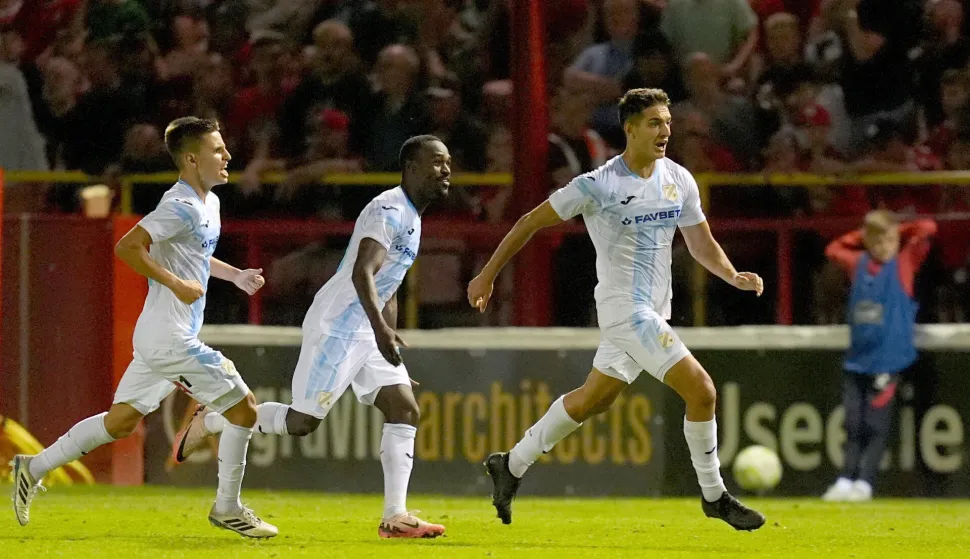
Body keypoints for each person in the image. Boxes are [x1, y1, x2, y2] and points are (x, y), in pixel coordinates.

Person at [467, 88, 766, 531]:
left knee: (592, 401)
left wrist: (733, 274)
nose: (665, 130)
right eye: (654, 123)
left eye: (667, 122)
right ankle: (714, 495)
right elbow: (530, 220)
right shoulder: (598, 185)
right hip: (626, 312)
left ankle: (510, 463)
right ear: (629, 129)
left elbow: (700, 242)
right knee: (702, 391)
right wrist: (487, 274)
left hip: (652, 312)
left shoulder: (679, 179)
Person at [173, 135, 452, 539]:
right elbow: (362, 274)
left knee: (404, 408)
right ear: (411, 167)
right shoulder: (389, 210)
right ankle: (217, 418)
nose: (446, 170)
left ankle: (395, 517)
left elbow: (384, 287)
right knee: (303, 422)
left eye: (447, 163)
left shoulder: (413, 216)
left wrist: (385, 337)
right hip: (338, 325)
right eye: (436, 162)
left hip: (365, 328)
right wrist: (380, 331)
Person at [10, 117, 277, 538]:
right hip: (172, 339)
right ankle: (227, 507)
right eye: (217, 149)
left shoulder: (209, 204)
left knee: (119, 423)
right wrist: (175, 284)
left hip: (157, 335)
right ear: (191, 158)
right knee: (243, 409)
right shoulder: (180, 205)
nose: (227, 155)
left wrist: (235, 275)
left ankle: (32, 466)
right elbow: (127, 246)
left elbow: (192, 254)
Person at [821, 211, 936, 502]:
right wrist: (864, 233)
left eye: (890, 240)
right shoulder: (858, 263)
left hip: (888, 361)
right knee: (852, 423)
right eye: (878, 240)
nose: (885, 246)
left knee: (875, 424)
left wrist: (896, 228)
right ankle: (846, 479)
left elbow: (927, 226)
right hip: (857, 360)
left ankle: (865, 482)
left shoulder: (904, 264)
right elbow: (833, 249)